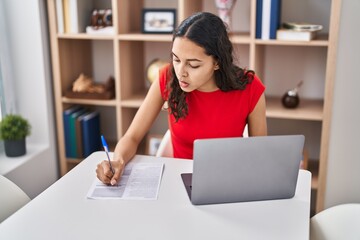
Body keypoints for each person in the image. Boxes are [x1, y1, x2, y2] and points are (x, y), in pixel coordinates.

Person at [96, 12, 267, 185]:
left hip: (229, 182)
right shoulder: (167, 77)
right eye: (176, 60)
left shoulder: (250, 87)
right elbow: (132, 137)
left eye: (193, 65)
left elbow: (260, 154)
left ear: (217, 62)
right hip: (179, 181)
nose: (181, 72)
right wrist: (118, 161)